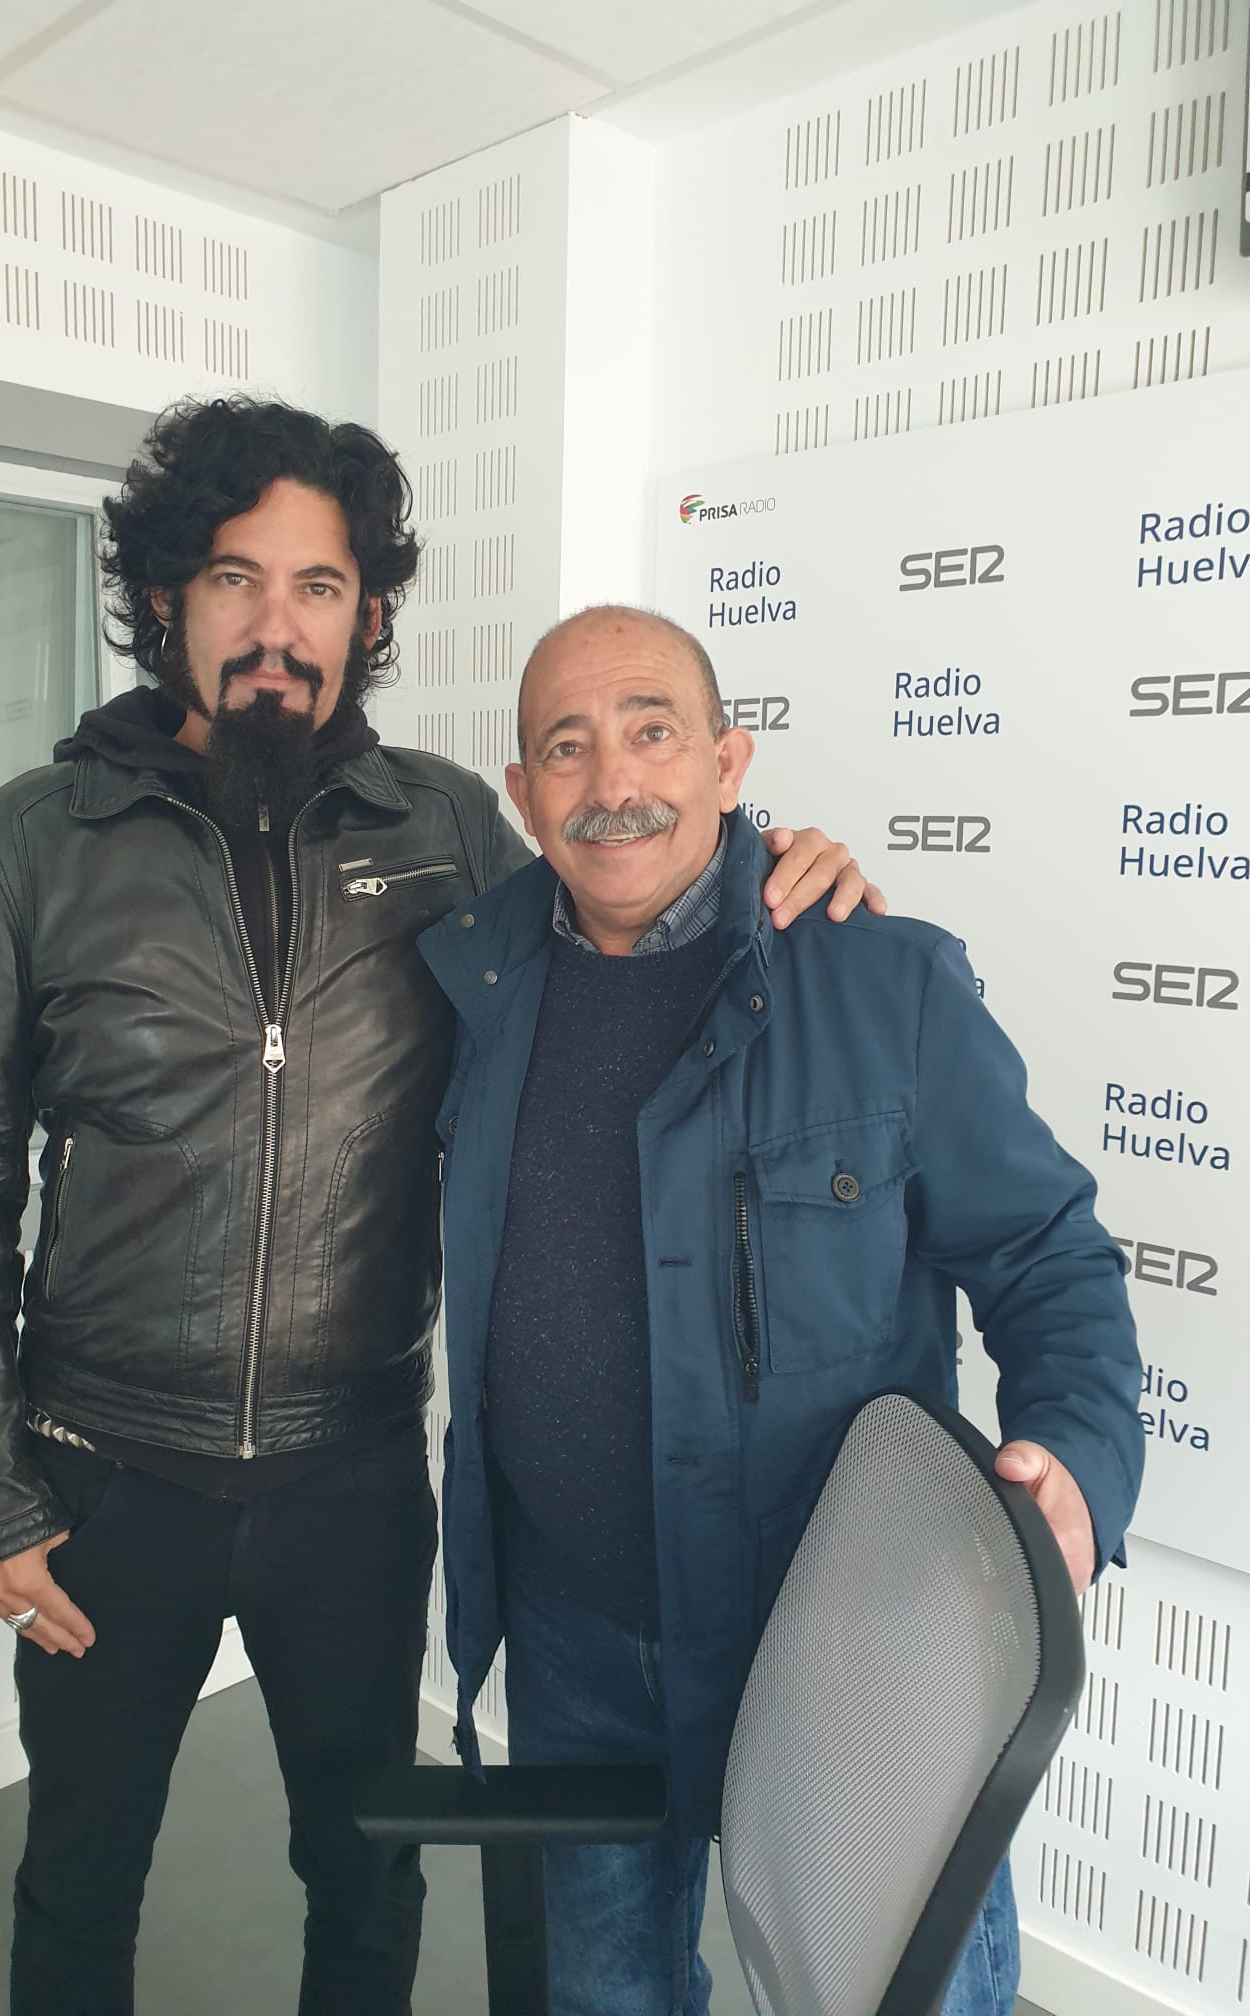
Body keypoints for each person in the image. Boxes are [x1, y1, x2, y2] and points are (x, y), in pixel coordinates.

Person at [0, 400, 873, 2016]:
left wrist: (778, 875)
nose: (277, 627)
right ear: (166, 594)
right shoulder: (28, 845)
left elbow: (633, 925)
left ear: (366, 618)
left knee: (367, 1871)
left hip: (348, 1480)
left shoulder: (446, 832)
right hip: (104, 1475)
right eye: (236, 578)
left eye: (321, 587)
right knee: (80, 1873)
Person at [422, 605, 1145, 2016]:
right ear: (522, 792)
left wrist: (1080, 1458)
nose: (612, 780)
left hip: (848, 1648)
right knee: (605, 1998)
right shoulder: (472, 986)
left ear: (728, 760)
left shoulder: (883, 981)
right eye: (565, 747)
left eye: (652, 731)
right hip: (575, 1644)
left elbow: (1049, 1253)